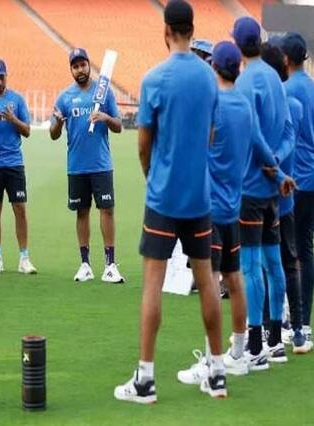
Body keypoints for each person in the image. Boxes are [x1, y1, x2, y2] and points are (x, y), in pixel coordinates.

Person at [114, 0, 225, 403]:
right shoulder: (209, 78)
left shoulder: (154, 78)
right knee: (208, 280)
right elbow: (210, 135)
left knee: (152, 285)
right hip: (199, 197)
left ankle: (145, 379)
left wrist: (153, 176)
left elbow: (144, 144)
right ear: (192, 30)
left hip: (163, 196)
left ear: (166, 31)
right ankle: (217, 373)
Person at [177, 41, 252, 385]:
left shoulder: (212, 105)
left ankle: (212, 361)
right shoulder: (244, 105)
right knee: (234, 280)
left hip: (209, 207)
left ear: (214, 67)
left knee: (210, 284)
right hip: (233, 205)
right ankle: (238, 354)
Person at [233, 17, 296, 367]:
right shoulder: (274, 77)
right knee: (274, 262)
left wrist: (271, 165)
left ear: (237, 44)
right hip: (273, 189)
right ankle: (275, 340)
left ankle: (255, 345)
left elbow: (252, 133)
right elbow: (287, 131)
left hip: (252, 185)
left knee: (251, 265)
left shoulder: (245, 82)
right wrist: (279, 166)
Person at [50, 47, 125, 283]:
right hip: (76, 165)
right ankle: (85, 265)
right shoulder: (64, 97)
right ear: (71, 70)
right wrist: (58, 123)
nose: (80, 69)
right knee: (82, 212)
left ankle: (110, 265)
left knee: (107, 210)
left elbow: (119, 126)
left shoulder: (104, 93)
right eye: (75, 66)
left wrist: (105, 117)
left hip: (101, 164)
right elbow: (53, 134)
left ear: (89, 65)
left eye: (83, 65)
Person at [0, 59, 37, 275]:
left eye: (1, 77)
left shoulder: (17, 100)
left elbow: (27, 131)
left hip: (14, 163)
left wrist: (13, 119)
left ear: (6, 76)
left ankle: (24, 258)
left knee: (20, 208)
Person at [281, 32, 314, 346]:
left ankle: (290, 322)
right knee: (306, 248)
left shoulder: (286, 90)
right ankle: (304, 320)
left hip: (295, 179)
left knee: (286, 252)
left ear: (286, 59)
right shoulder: (312, 87)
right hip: (313, 177)